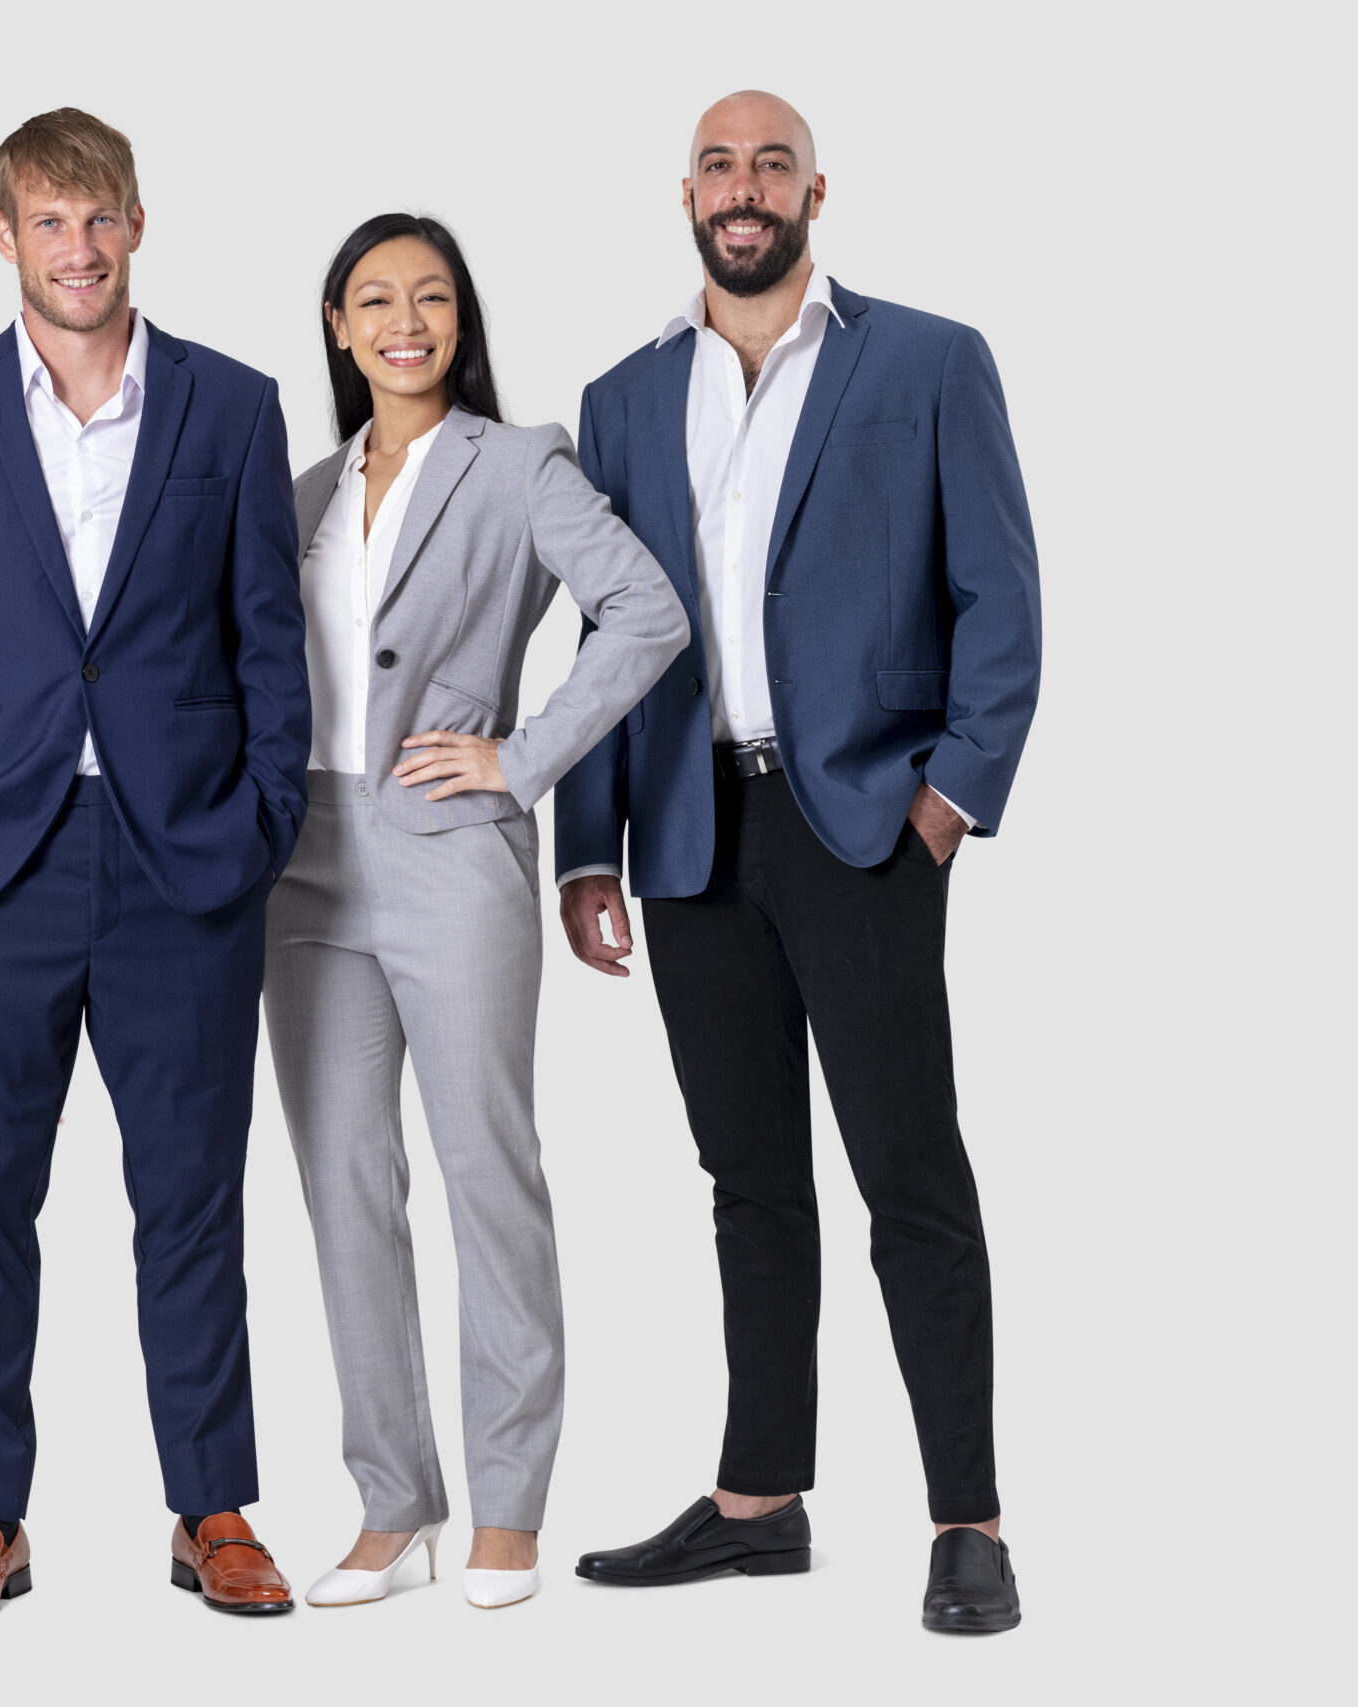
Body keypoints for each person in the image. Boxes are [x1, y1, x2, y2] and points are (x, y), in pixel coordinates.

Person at [554, 91, 1041, 1634]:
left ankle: (969, 1518)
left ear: (815, 190)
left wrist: (949, 800)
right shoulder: (622, 398)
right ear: (685, 194)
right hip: (693, 834)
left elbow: (1004, 602)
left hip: (863, 827)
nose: (744, 188)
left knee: (910, 1173)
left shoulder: (927, 361)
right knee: (745, 1178)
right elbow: (601, 639)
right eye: (718, 163)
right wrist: (588, 844)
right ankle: (759, 1500)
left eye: (771, 163)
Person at [0, 108, 310, 1622]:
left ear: (137, 223)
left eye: (100, 217)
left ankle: (213, 1505)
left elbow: (267, 643)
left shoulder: (234, 410)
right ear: (5, 237)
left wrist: (258, 830)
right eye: (49, 222)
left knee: (190, 1196)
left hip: (187, 859)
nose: (80, 248)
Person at [271, 215, 687, 1614]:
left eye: (432, 297)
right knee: (342, 1183)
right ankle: (395, 1502)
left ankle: (509, 1503)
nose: (406, 321)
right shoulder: (308, 490)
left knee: (483, 1172)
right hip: (307, 863)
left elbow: (644, 612)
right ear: (338, 324)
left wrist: (521, 758)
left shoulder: (517, 465)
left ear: (462, 320)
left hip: (451, 851)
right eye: (376, 299)